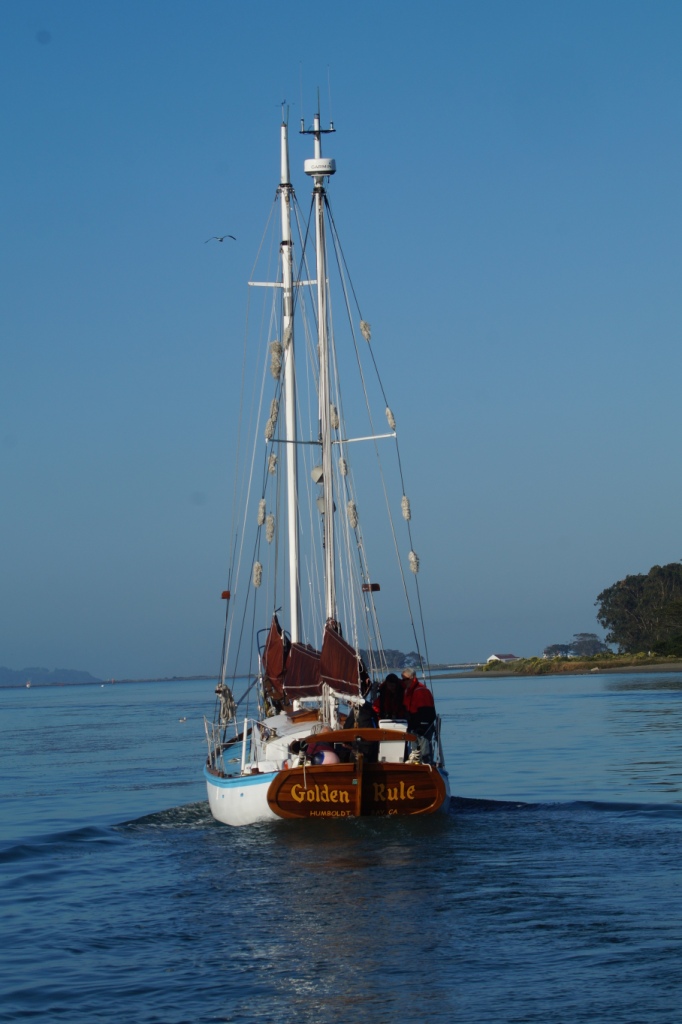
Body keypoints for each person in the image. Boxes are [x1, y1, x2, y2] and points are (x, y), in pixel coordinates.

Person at [401, 668, 436, 763]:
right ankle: (417, 764)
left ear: (412, 677)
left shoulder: (421, 690)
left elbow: (427, 710)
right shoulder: (408, 691)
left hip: (422, 727)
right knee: (415, 750)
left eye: (406, 679)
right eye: (402, 679)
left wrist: (423, 725)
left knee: (424, 750)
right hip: (413, 725)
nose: (404, 682)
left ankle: (427, 765)